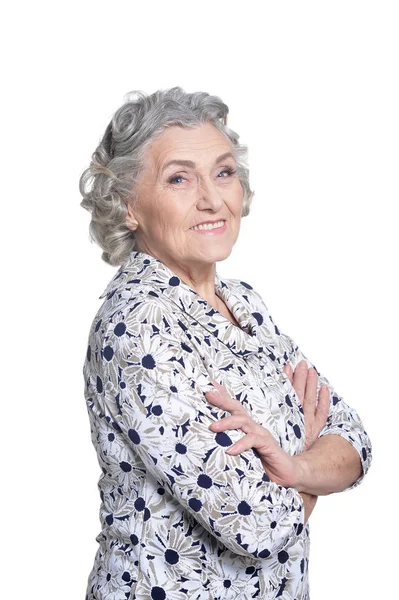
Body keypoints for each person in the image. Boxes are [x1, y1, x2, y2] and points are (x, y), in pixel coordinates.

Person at [80, 87, 372, 600]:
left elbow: (354, 439)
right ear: (128, 205)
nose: (212, 199)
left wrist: (293, 466)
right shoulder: (138, 324)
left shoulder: (245, 305)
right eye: (178, 178)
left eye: (223, 172)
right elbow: (255, 525)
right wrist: (306, 465)